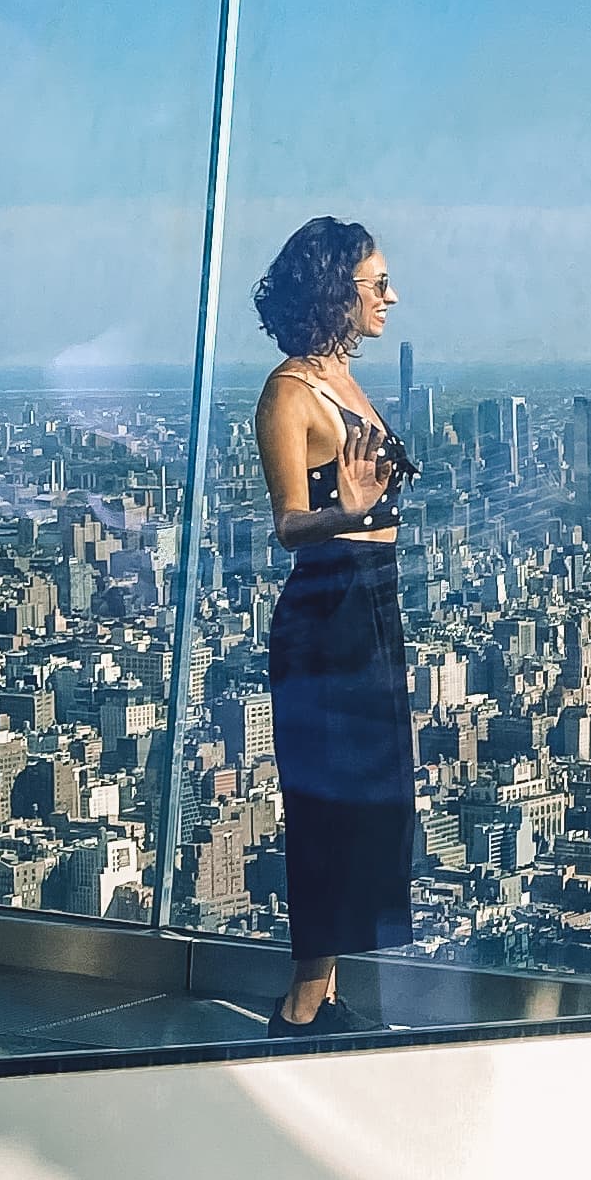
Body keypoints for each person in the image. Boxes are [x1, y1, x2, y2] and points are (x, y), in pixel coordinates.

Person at [252, 216, 415, 1035]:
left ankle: (325, 997)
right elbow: (288, 521)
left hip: (374, 603)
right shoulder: (288, 394)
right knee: (325, 808)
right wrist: (342, 513)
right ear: (334, 292)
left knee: (368, 804)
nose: (390, 295)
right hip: (328, 610)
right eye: (376, 282)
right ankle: (300, 1006)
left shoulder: (346, 381)